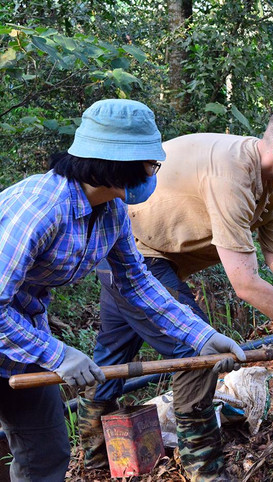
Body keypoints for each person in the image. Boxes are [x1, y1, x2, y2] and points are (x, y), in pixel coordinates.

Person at [78, 104, 273, 481]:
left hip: (152, 254)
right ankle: (205, 468)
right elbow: (246, 284)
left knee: (112, 355)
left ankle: (94, 456)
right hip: (132, 253)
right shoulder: (232, 174)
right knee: (196, 346)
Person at [0, 99, 245, 481]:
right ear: (119, 164)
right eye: (151, 165)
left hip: (21, 342)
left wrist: (201, 337)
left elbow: (137, 282)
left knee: (46, 451)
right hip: (18, 333)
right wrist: (59, 353)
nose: (154, 174)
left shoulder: (111, 213)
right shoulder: (40, 210)